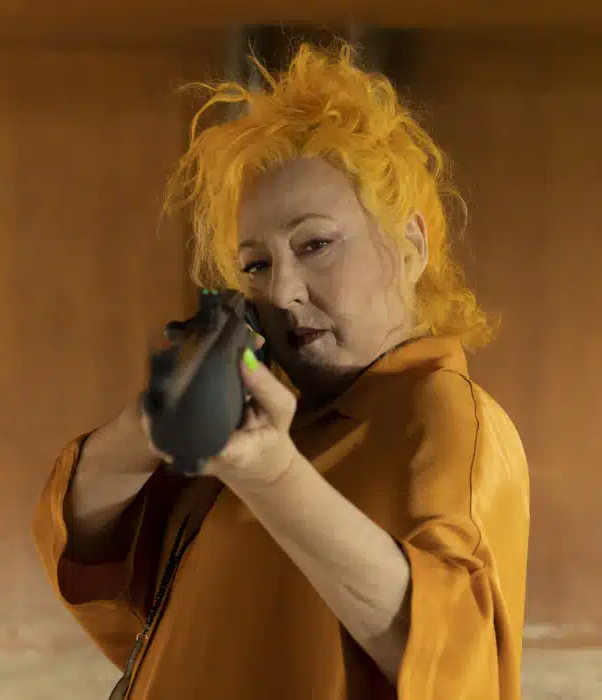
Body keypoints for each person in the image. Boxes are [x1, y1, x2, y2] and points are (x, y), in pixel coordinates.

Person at [32, 41, 529, 700]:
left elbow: (455, 659)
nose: (284, 291)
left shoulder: (442, 415)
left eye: (315, 244)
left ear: (411, 243)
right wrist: (152, 423)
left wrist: (272, 477)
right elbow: (95, 557)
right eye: (257, 265)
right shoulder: (270, 421)